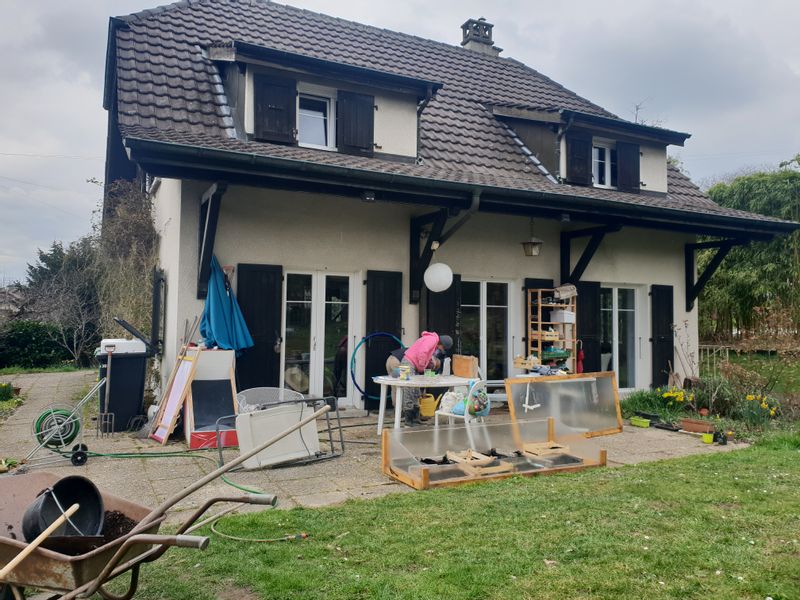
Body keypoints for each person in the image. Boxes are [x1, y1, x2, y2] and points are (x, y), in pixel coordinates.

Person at [386, 331, 453, 425]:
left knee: (415, 390)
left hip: (410, 363)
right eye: (443, 348)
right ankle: (409, 419)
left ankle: (415, 417)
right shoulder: (432, 339)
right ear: (442, 344)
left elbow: (425, 354)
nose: (441, 350)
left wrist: (426, 364)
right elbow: (423, 352)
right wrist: (422, 366)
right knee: (409, 389)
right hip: (408, 363)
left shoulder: (432, 342)